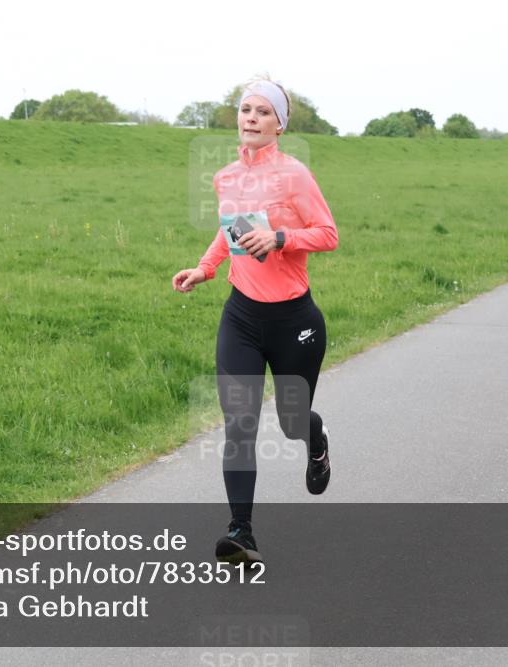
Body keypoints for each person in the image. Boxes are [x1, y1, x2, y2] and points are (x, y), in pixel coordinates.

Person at [171, 78, 338, 565]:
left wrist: (282, 239)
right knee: (239, 423)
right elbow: (229, 233)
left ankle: (316, 440)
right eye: (245, 109)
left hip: (293, 319)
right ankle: (241, 531)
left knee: (291, 422)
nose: (251, 118)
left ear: (280, 123)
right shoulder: (225, 177)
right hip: (241, 314)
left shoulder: (295, 175)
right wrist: (205, 268)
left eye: (264, 112)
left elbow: (328, 234)